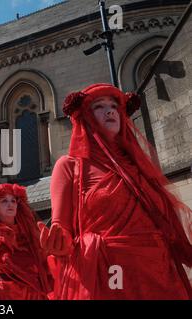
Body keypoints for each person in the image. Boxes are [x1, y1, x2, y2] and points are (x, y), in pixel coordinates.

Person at [40, 83, 192, 299]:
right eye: (98, 106)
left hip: (159, 271)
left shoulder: (137, 165)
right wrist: (60, 239)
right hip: (111, 274)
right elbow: (61, 227)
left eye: (114, 106)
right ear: (85, 117)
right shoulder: (69, 165)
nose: (110, 110)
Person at [0, 183, 53, 300]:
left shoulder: (29, 232)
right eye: (4, 201)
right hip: (2, 295)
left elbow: (45, 264)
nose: (10, 204)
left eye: (13, 201)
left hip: (33, 294)